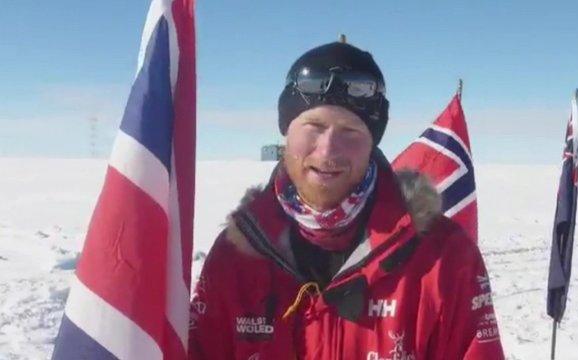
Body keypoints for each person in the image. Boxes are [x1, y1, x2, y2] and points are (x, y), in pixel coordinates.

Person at [188, 41, 505, 359]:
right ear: (286, 133)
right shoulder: (236, 255)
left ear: (372, 142)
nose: (327, 151)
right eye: (313, 126)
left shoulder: (444, 258)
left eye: (350, 131)